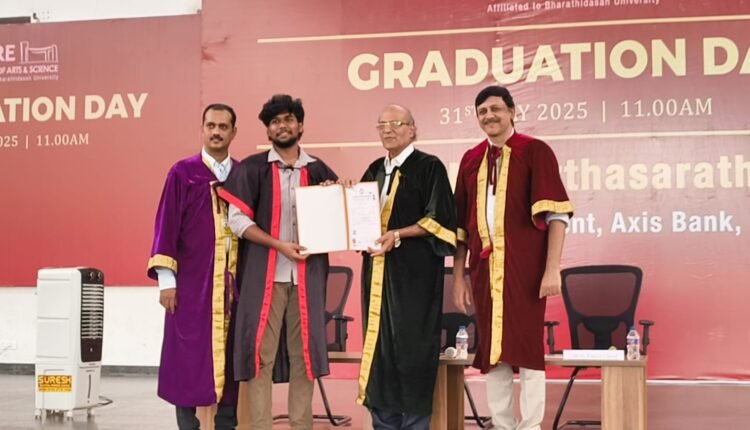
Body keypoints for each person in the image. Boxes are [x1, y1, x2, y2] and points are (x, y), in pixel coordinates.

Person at [453, 85, 573, 430]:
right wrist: (459, 276)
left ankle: (531, 425)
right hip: (483, 270)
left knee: (527, 346)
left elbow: (557, 215)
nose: (489, 116)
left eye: (495, 109)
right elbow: (460, 229)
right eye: (482, 112)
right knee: (493, 351)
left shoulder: (535, 151)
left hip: (526, 269)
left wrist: (552, 269)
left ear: (512, 112)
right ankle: (503, 424)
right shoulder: (471, 159)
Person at [219, 94, 337, 430]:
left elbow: (337, 221)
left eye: (288, 119)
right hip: (265, 277)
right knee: (261, 356)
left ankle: (302, 425)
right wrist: (278, 246)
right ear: (268, 130)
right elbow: (237, 221)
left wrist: (339, 195)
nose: (281, 126)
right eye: (274, 122)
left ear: (301, 125)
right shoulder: (252, 168)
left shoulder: (318, 169)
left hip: (307, 278)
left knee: (304, 358)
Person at [357, 104, 457, 429]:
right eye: (381, 124)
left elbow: (441, 219)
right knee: (380, 354)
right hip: (377, 277)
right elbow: (358, 219)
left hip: (414, 279)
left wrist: (398, 234)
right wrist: (341, 200)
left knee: (413, 352)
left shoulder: (429, 167)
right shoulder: (374, 169)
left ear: (413, 129)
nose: (387, 129)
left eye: (396, 123)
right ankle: (383, 423)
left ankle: (415, 424)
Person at [147, 103, 241, 430]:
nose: (216, 132)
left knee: (231, 358)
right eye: (210, 125)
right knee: (186, 358)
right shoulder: (183, 173)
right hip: (192, 285)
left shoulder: (243, 174)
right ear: (202, 129)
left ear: (233, 132)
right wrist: (167, 282)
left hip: (235, 285)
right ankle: (188, 425)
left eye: (223, 126)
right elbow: (166, 226)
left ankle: (227, 424)